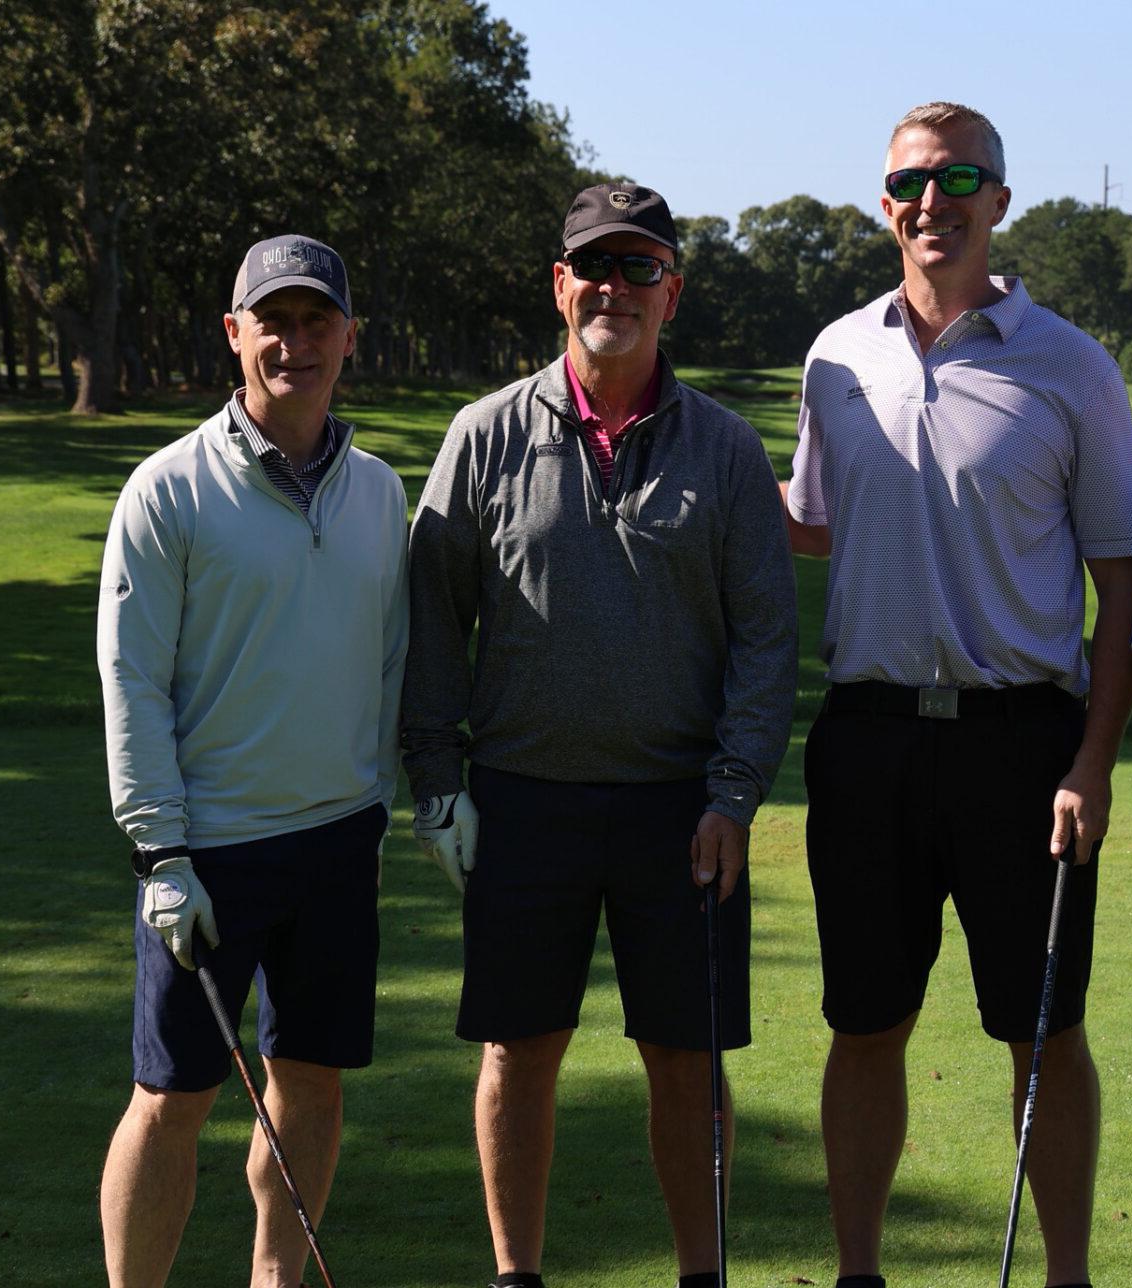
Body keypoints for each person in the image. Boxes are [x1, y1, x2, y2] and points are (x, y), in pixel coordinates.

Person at [400, 182, 797, 1288]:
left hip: (683, 810)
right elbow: (434, 619)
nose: (614, 288)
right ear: (559, 283)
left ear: (673, 289)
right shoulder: (484, 434)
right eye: (594, 267)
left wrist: (733, 797)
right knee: (518, 1052)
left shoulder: (720, 446)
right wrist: (436, 780)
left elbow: (766, 645)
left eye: (640, 268)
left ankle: (700, 1274)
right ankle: (515, 1275)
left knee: (686, 1058)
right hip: (523, 797)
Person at [784, 102, 1132, 1288]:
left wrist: (1091, 764)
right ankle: (857, 1272)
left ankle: (1065, 1276)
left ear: (1000, 199)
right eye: (909, 184)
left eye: (958, 180)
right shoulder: (837, 355)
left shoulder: (1071, 365)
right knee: (863, 1022)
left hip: (1022, 746)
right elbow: (814, 526)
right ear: (883, 202)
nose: (930, 203)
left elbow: (1121, 588)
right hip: (869, 735)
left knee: (1042, 1032)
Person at [95, 234, 406, 1288]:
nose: (295, 341)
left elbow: (390, 660)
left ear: (349, 338)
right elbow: (131, 680)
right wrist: (159, 852)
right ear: (234, 335)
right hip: (211, 852)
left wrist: (404, 796)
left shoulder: (376, 492)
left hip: (336, 841)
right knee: (173, 1096)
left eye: (317, 320)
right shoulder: (168, 492)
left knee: (310, 1083)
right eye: (271, 320)